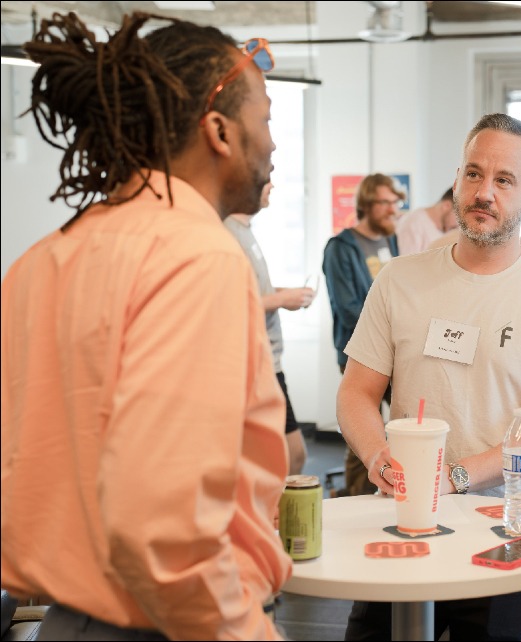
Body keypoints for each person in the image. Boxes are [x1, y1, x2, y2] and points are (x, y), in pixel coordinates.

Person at [1, 12, 292, 640]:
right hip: (172, 624)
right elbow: (164, 530)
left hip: (66, 624)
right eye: (266, 120)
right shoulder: (197, 257)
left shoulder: (42, 261)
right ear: (219, 130)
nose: (273, 144)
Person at [337, 113, 521, 640]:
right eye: (474, 174)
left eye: (504, 180)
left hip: (508, 530)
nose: (484, 192)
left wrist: (455, 477)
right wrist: (375, 455)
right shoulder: (401, 280)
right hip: (404, 520)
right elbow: (356, 394)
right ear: (456, 180)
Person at [225, 182, 316, 475]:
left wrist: (283, 293)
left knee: (292, 456)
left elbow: (251, 288)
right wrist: (280, 298)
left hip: (268, 359)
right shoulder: (226, 231)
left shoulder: (244, 231)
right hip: (252, 361)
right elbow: (227, 300)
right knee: (289, 456)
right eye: (265, 177)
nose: (271, 186)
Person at [322, 173, 402, 496]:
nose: (393, 210)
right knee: (364, 430)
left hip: (395, 350)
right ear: (366, 205)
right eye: (385, 202)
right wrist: (393, 328)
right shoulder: (340, 248)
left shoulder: (389, 240)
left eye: (396, 203)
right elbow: (348, 307)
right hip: (360, 350)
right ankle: (355, 499)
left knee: (396, 424)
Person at [395, 187, 457, 254]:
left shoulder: (446, 228)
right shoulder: (413, 224)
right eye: (459, 216)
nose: (458, 224)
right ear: (446, 206)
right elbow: (407, 262)